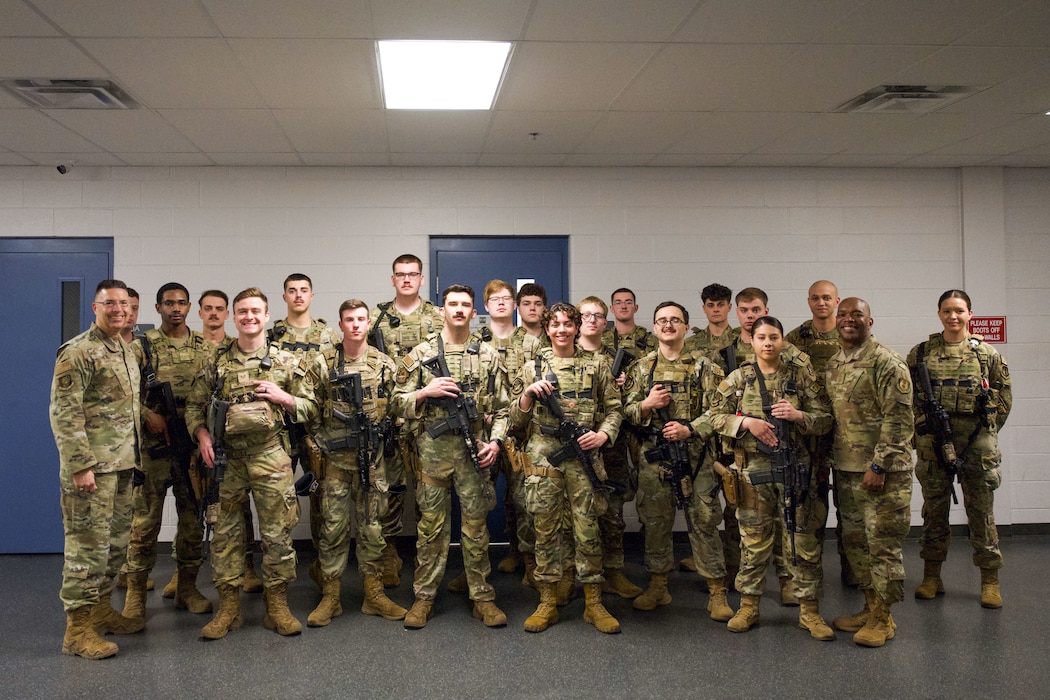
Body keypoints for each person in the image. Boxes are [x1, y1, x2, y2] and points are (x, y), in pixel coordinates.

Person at [184, 287, 322, 639]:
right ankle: (228, 609)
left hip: (270, 457)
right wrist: (201, 436)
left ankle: (277, 606)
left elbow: (312, 407)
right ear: (234, 316)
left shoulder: (285, 361)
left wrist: (285, 397)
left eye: (255, 311)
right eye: (242, 311)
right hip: (227, 461)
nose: (249, 317)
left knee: (277, 534)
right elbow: (194, 407)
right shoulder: (215, 363)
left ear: (265, 315)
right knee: (225, 535)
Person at [708, 316, 834, 639]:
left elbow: (825, 419)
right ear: (750, 340)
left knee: (802, 542)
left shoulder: (801, 377)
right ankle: (748, 606)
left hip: (795, 470)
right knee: (753, 542)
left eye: (774, 337)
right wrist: (746, 424)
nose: (767, 343)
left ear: (782, 340)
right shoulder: (738, 379)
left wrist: (798, 415)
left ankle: (810, 612)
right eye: (761, 337)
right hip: (753, 472)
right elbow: (713, 417)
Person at [390, 285, 509, 629]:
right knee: (431, 530)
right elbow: (395, 401)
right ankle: (423, 598)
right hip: (433, 454)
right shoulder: (420, 354)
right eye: (452, 304)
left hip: (474, 454)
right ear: (442, 310)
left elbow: (503, 410)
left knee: (475, 529)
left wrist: (497, 443)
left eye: (465, 305)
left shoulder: (488, 355)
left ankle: (482, 598)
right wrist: (425, 392)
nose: (459, 310)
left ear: (474, 313)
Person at [511, 302, 624, 634]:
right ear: (547, 329)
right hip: (544, 454)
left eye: (568, 324)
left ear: (577, 327)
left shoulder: (597, 365)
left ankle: (593, 602)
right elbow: (514, 419)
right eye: (555, 324)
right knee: (545, 530)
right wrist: (528, 396)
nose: (561, 330)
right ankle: (547, 600)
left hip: (585, 456)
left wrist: (603, 435)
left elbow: (615, 409)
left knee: (587, 529)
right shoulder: (532, 367)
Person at [51, 279, 143, 659]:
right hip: (93, 471)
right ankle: (77, 631)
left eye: (124, 303)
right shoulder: (78, 352)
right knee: (86, 550)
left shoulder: (125, 348)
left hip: (123, 467)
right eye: (110, 303)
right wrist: (80, 466)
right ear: (95, 307)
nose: (118, 309)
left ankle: (102, 611)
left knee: (115, 547)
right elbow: (64, 412)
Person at [623, 301, 732, 621]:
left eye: (675, 320)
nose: (668, 325)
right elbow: (624, 411)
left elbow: (720, 412)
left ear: (686, 326)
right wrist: (647, 404)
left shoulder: (706, 367)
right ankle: (658, 585)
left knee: (705, 521)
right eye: (661, 321)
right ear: (654, 328)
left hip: (696, 457)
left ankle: (716, 591)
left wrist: (690, 429)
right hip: (654, 457)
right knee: (655, 523)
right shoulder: (642, 368)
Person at [306, 299, 408, 627]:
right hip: (335, 463)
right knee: (333, 530)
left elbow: (398, 405)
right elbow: (308, 406)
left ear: (367, 325)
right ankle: (331, 597)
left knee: (372, 530)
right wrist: (316, 440)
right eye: (349, 319)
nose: (355, 324)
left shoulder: (383, 363)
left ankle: (374, 595)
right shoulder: (323, 363)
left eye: (361, 319)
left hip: (372, 463)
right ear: (341, 324)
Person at [907, 290, 1012, 608]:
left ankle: (990, 582)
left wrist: (984, 434)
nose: (953, 316)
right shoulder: (921, 353)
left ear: (970, 314)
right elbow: (907, 400)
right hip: (934, 444)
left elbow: (1003, 400)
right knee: (934, 513)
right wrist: (920, 434)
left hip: (976, 442)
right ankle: (931, 576)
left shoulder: (987, 355)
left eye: (959, 310)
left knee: (981, 514)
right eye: (947, 311)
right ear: (939, 314)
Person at [824, 298, 914, 647]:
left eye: (856, 315)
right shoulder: (834, 363)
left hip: (883, 474)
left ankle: (884, 619)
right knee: (856, 545)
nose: (848, 320)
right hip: (846, 471)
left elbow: (900, 419)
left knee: (883, 546)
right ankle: (871, 606)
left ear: (870, 321)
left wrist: (879, 465)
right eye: (842, 315)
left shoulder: (886, 362)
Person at [122, 283, 214, 623]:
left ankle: (187, 588)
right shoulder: (142, 346)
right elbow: (125, 391)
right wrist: (147, 415)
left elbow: (211, 392)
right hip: (155, 448)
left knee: (192, 520)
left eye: (181, 303)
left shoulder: (205, 348)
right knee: (145, 524)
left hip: (190, 446)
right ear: (158, 308)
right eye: (168, 303)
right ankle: (135, 596)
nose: (176, 308)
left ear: (190, 307)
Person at [369, 254, 445, 586]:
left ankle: (430, 560)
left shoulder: (436, 317)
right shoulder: (375, 317)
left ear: (421, 278)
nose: (407, 280)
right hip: (388, 413)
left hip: (427, 414)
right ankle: (389, 554)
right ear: (392, 279)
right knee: (390, 487)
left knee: (430, 489)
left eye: (413, 274)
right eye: (400, 274)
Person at [269, 274, 341, 568]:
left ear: (312, 296)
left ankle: (323, 568)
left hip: (318, 431)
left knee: (319, 493)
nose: (298, 295)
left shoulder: (329, 337)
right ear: (284, 296)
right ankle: (281, 568)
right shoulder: (271, 337)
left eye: (303, 290)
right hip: (282, 431)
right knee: (281, 496)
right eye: (291, 291)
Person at [579, 295, 643, 600]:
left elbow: (630, 405)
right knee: (574, 513)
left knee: (613, 511)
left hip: (611, 445)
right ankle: (573, 575)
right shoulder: (563, 352)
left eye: (598, 316)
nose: (592, 320)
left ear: (606, 323)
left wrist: (624, 382)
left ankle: (614, 572)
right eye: (586, 315)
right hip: (577, 445)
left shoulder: (619, 358)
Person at [786, 280, 848, 585]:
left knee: (850, 506)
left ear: (836, 300)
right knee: (811, 502)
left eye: (827, 298)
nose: (821, 302)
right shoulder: (796, 338)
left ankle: (853, 571)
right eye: (815, 298)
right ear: (808, 301)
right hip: (810, 433)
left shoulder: (851, 334)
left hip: (849, 432)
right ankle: (812, 571)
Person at [683, 283, 740, 356]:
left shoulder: (741, 340)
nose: (716, 309)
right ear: (704, 308)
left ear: (729, 307)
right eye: (710, 305)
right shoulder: (690, 343)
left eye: (721, 305)